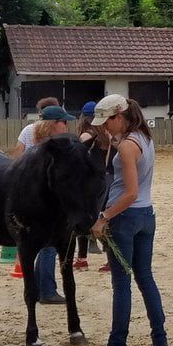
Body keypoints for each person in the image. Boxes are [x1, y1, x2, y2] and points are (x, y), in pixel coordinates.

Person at [86, 94, 168, 346]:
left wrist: (103, 217)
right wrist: (114, 143)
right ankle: (160, 341)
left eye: (107, 122)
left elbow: (129, 192)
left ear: (119, 116)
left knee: (121, 284)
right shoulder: (144, 138)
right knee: (145, 278)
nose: (104, 128)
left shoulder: (127, 147)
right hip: (146, 215)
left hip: (125, 217)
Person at [28, 105, 77, 304]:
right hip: (46, 205)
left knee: (44, 247)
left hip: (35, 203)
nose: (66, 126)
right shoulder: (52, 149)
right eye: (63, 122)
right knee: (49, 247)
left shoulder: (36, 145)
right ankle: (47, 290)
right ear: (53, 124)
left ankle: (41, 288)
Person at [74, 101, 108, 271]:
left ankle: (82, 258)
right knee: (103, 217)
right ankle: (107, 258)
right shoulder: (106, 136)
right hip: (104, 179)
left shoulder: (85, 136)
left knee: (87, 218)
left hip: (90, 182)